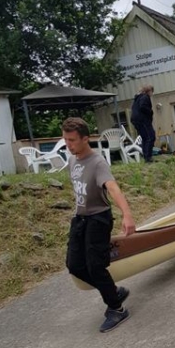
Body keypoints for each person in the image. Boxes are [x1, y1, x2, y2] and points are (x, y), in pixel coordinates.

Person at [62, 117, 137, 333]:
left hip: (98, 218)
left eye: (72, 140)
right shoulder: (73, 160)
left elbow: (112, 188)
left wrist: (127, 214)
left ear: (86, 139)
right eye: (66, 139)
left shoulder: (98, 163)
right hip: (81, 219)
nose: (68, 144)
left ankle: (117, 308)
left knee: (95, 266)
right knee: (75, 265)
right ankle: (114, 291)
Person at [131, 84, 156, 163]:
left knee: (145, 138)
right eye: (152, 91)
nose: (152, 94)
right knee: (150, 137)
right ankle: (148, 158)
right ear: (149, 91)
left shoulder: (137, 98)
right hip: (142, 120)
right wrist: (150, 111)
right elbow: (143, 107)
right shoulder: (145, 97)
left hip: (136, 120)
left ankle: (146, 157)